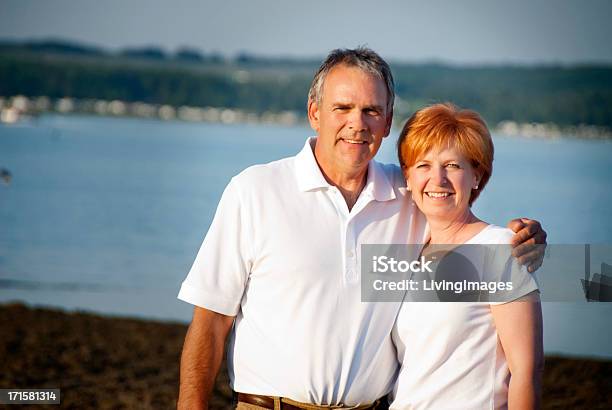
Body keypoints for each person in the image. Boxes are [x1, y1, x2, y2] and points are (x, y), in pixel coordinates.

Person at [176, 48, 547, 409]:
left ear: (387, 122)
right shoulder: (255, 191)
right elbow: (210, 321)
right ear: (315, 113)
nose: (357, 123)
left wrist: (525, 240)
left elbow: (462, 221)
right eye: (343, 108)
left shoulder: (408, 196)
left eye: (371, 110)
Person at [391, 103, 543, 409]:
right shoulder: (410, 252)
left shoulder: (499, 249)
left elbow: (526, 373)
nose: (438, 179)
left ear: (477, 175)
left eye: (452, 166)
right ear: (407, 177)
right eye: (423, 165)